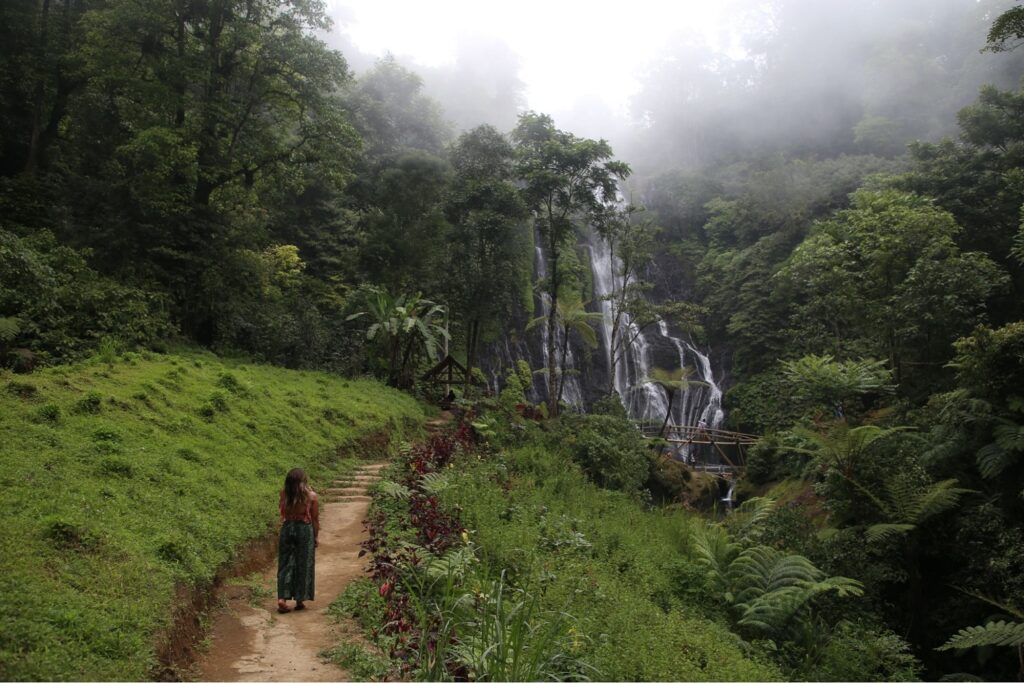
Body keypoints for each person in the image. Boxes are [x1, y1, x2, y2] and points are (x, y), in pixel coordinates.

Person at [277, 468, 319, 614]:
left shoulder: (283, 494)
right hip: (304, 530)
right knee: (304, 563)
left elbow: (281, 512)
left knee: (285, 563)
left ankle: (282, 598)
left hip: (287, 528)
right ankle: (300, 599)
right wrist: (315, 537)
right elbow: (314, 519)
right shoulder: (311, 496)